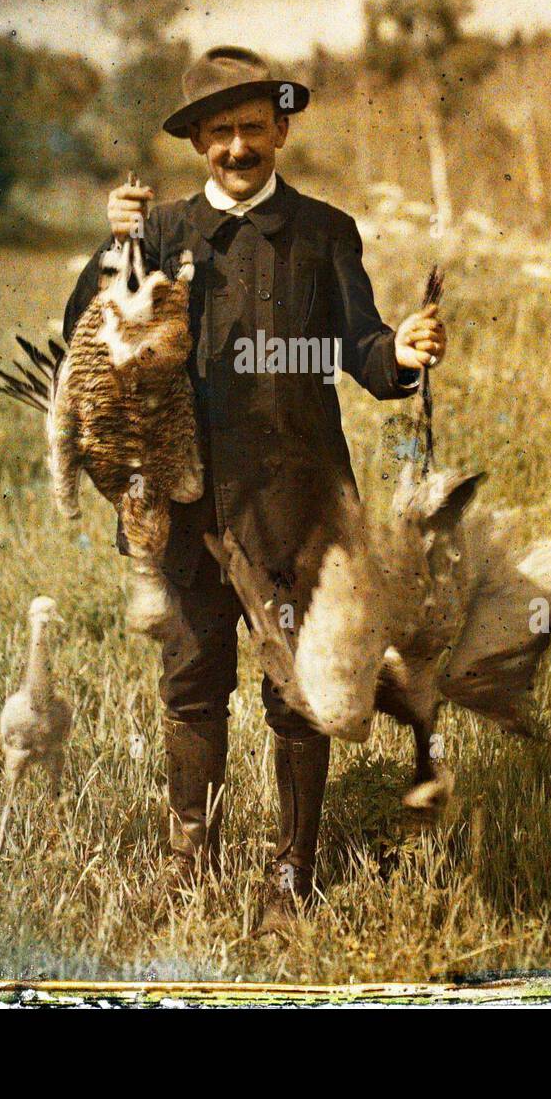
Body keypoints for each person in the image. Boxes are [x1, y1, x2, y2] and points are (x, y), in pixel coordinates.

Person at [64, 45, 446, 930]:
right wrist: (113, 249)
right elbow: (93, 335)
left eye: (252, 128)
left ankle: (293, 873)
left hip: (299, 507)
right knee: (192, 678)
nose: (237, 147)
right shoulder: (159, 232)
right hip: (185, 505)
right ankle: (188, 865)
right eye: (219, 132)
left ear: (280, 128)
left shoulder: (323, 232)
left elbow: (363, 347)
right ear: (197, 142)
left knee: (300, 689)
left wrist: (403, 354)